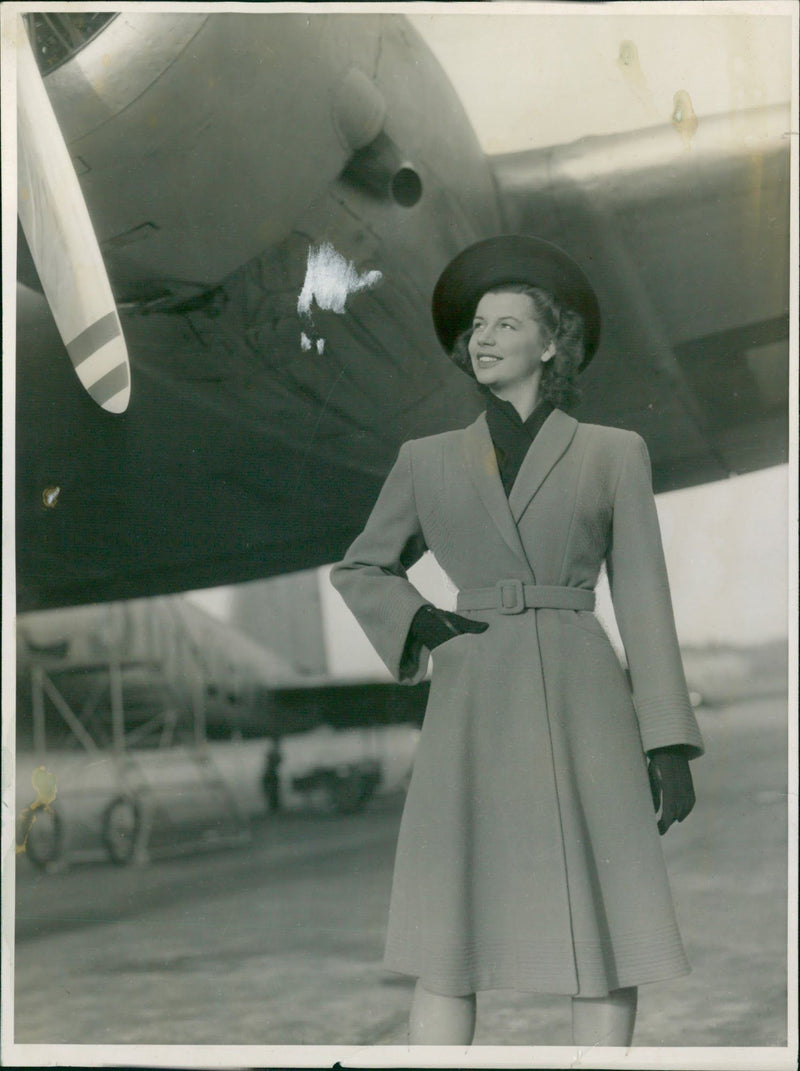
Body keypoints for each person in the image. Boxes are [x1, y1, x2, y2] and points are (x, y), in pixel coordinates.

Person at [330, 235, 703, 1047]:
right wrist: (424, 623)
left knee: (605, 935)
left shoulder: (614, 453)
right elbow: (362, 566)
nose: (483, 338)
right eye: (476, 327)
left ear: (552, 343)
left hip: (588, 700)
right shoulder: (424, 461)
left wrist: (667, 739)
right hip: (473, 699)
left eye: (505, 323)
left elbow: (642, 596)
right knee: (448, 942)